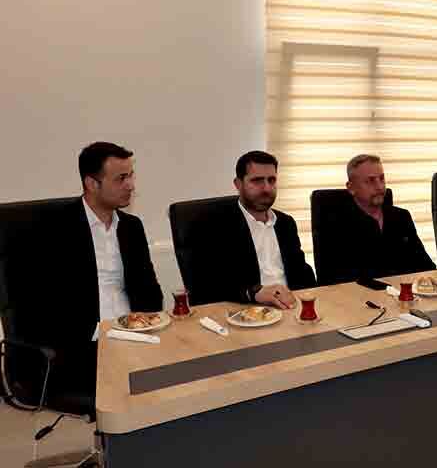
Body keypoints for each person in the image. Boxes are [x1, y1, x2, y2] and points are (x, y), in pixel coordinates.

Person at [8, 142, 163, 410]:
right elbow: (34, 305)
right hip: (79, 346)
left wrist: (142, 325)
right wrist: (100, 332)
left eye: (131, 175)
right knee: (134, 390)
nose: (130, 185)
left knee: (183, 371)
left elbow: (150, 291)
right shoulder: (51, 229)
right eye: (121, 178)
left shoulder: (131, 227)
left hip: (132, 336)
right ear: (92, 184)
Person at [190, 151, 315, 308]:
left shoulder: (285, 223)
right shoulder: (213, 224)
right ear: (238, 184)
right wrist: (254, 292)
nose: (266, 188)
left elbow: (301, 272)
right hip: (244, 308)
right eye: (257, 181)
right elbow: (205, 282)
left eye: (271, 180)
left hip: (290, 305)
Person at [316, 155, 435, 285]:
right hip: (358, 295)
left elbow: (425, 265)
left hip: (404, 293)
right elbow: (331, 279)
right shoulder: (335, 224)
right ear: (351, 188)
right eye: (370, 181)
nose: (379, 186)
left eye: (382, 179)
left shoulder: (401, 217)